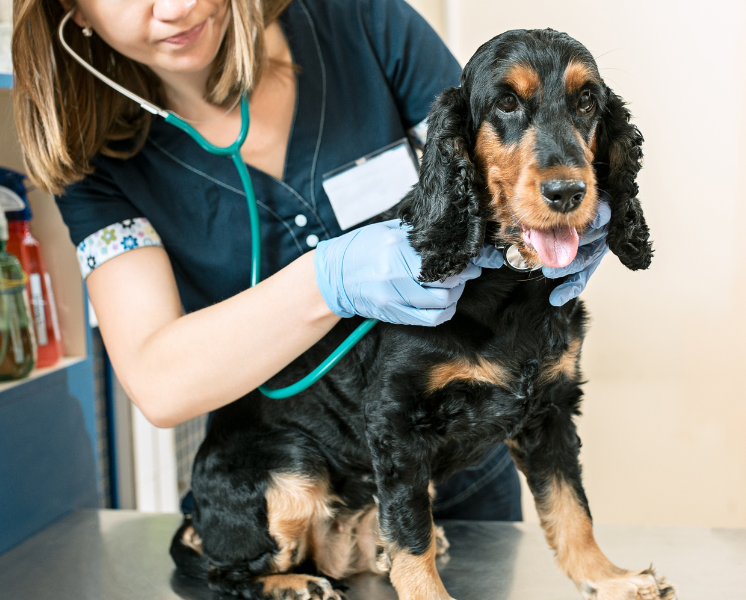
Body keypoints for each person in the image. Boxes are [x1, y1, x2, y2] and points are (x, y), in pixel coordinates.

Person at [12, 0, 608, 521]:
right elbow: (159, 384)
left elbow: (495, 152)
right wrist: (328, 281)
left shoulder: (360, 20)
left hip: (455, 472)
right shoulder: (90, 159)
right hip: (290, 490)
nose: (179, 6)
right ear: (72, 10)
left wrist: (568, 213)